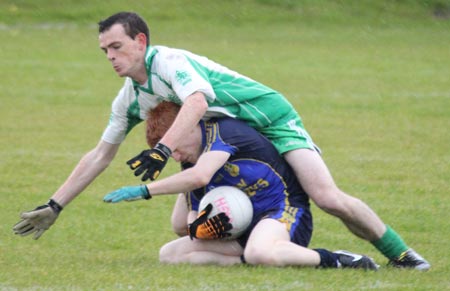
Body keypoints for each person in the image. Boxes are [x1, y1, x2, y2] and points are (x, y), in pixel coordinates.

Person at [13, 11, 429, 270]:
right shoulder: (131, 97)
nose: (110, 57)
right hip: (227, 138)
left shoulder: (169, 62)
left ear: (141, 42)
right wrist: (55, 205)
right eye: (104, 50)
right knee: (184, 226)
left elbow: (196, 101)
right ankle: (260, 247)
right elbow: (101, 154)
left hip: (270, 119)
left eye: (117, 47)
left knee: (326, 196)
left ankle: (401, 254)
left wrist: (161, 150)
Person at [104, 102, 379, 269]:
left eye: (173, 146)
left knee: (260, 250)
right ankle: (249, 261)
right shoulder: (190, 160)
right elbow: (189, 220)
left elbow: (201, 177)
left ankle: (336, 260)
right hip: (245, 229)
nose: (172, 156)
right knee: (171, 254)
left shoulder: (223, 132)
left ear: (189, 127)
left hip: (281, 211)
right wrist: (202, 227)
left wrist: (144, 191)